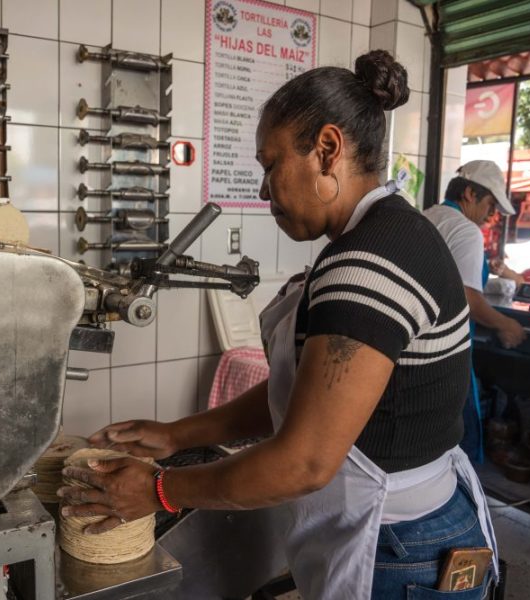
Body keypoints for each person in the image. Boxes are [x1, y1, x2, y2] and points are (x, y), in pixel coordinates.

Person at [59, 50, 497, 600]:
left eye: (270, 165)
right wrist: (176, 435)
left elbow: (304, 462)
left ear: (327, 150)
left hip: (398, 548)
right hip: (402, 533)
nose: (265, 190)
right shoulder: (387, 234)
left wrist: (160, 490)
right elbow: (305, 396)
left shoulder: (368, 263)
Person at [423, 161, 526, 462]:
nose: (489, 214)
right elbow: (467, 298)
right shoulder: (466, 230)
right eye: (490, 204)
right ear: (470, 194)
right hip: (449, 351)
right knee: (461, 440)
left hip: (418, 347)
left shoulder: (425, 217)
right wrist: (506, 324)